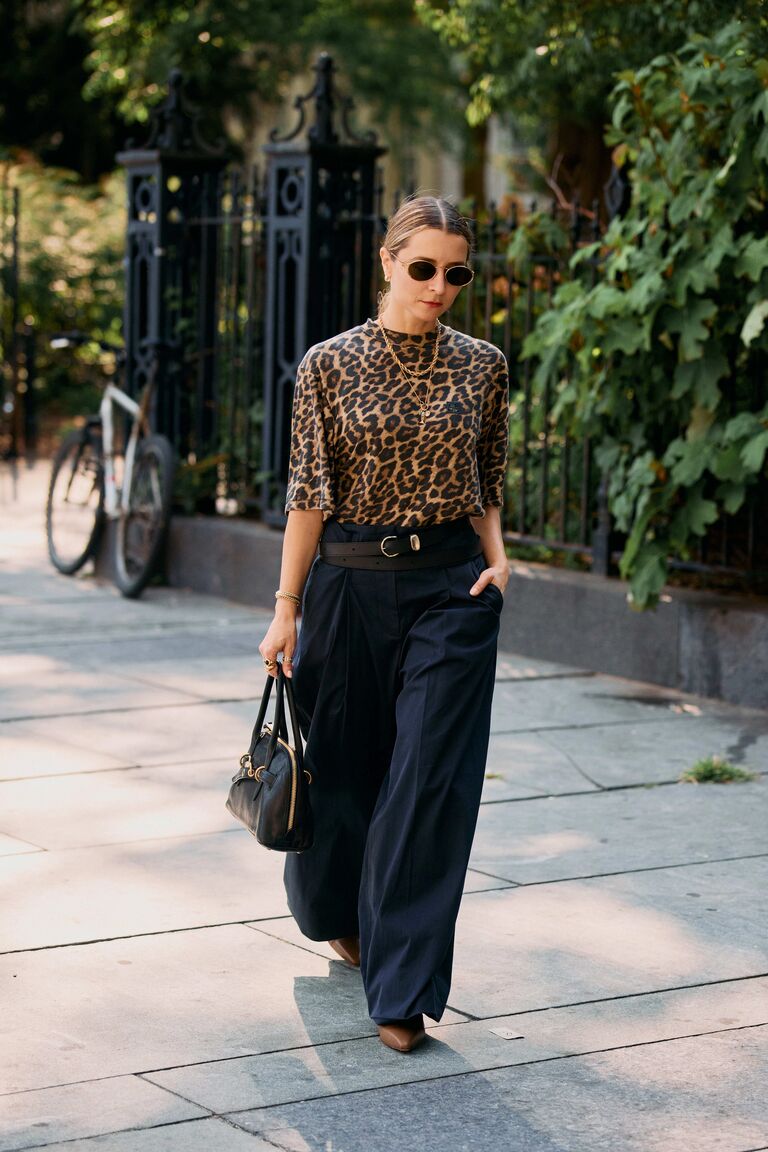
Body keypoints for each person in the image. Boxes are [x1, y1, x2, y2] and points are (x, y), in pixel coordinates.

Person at [258, 193, 510, 1053]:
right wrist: (285, 610)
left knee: (430, 779)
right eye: (424, 268)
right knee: (347, 767)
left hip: (452, 588)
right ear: (388, 262)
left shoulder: (483, 365)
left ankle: (400, 987)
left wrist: (498, 558)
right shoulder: (330, 365)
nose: (441, 286)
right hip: (349, 584)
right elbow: (308, 496)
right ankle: (336, 911)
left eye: (457, 272)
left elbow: (487, 477)